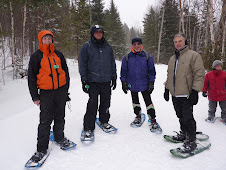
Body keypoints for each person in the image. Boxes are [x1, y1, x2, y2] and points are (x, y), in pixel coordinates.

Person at [28, 30, 71, 162]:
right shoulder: (36, 56)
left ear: (52, 40)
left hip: (60, 92)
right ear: (41, 40)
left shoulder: (58, 54)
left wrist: (65, 90)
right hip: (46, 93)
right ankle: (41, 149)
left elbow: (65, 72)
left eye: (49, 39)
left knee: (60, 116)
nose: (47, 41)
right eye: (45, 39)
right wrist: (35, 96)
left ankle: (59, 137)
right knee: (45, 120)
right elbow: (31, 78)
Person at [164, 33, 205, 153]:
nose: (178, 43)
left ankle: (191, 140)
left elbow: (199, 74)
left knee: (188, 117)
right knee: (180, 116)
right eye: (176, 42)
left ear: (185, 42)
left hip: (187, 94)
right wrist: (166, 88)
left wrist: (195, 91)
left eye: (180, 41)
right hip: (175, 94)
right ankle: (184, 133)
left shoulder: (193, 55)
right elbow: (170, 76)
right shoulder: (172, 58)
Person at [79, 25, 117, 138]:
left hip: (106, 80)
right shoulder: (86, 46)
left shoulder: (108, 47)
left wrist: (113, 77)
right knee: (92, 104)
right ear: (92, 34)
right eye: (96, 32)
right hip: (92, 81)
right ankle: (88, 127)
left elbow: (112, 63)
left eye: (101, 32)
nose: (99, 34)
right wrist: (84, 80)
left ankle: (104, 121)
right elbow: (82, 64)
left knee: (106, 102)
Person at [120, 37, 160, 129]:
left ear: (141, 45)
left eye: (138, 44)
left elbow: (152, 71)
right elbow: (123, 71)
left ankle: (153, 119)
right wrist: (124, 83)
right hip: (132, 84)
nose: (136, 46)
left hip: (144, 84)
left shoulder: (147, 56)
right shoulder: (127, 57)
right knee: (135, 102)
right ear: (132, 46)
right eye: (134, 44)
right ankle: (138, 116)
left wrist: (151, 83)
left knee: (148, 102)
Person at [202, 60, 226, 124]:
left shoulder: (224, 74)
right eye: (217, 66)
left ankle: (224, 117)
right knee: (212, 107)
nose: (219, 67)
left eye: (220, 66)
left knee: (224, 107)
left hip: (223, 94)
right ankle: (211, 116)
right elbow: (205, 84)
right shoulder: (209, 75)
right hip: (212, 94)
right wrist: (204, 91)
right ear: (214, 67)